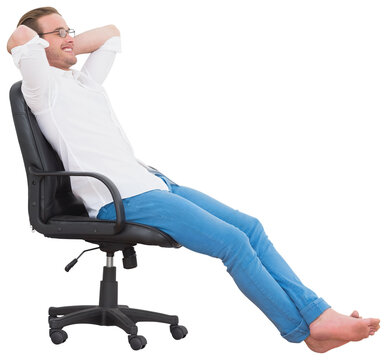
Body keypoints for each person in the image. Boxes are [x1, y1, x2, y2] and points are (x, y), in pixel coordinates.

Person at [7, 7, 380, 353]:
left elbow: (111, 34)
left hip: (152, 182)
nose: (70, 38)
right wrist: (46, 42)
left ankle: (318, 316)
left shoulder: (83, 82)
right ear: (39, 48)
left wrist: (63, 40)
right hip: (118, 197)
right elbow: (19, 36)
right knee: (232, 243)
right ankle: (305, 330)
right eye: (58, 34)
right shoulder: (41, 88)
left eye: (69, 29)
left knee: (250, 227)